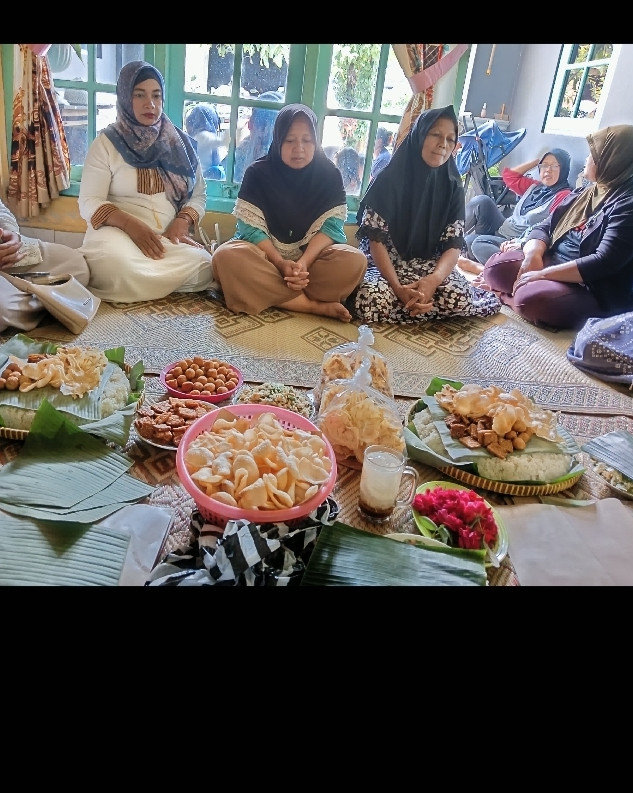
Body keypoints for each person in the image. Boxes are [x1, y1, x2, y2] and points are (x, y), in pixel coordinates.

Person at [212, 103, 367, 322]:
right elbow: (250, 230)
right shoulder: (258, 173)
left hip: (309, 265)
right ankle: (310, 306)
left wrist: (302, 264)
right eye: (290, 140)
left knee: (355, 261)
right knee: (225, 258)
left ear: (316, 141)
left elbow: (331, 227)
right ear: (278, 140)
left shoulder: (329, 175)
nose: (299, 149)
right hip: (264, 257)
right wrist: (280, 263)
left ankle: (269, 293)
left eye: (307, 140)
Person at [78, 60, 213, 303]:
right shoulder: (106, 143)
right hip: (117, 236)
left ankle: (137, 286)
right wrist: (131, 226)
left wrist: (182, 221)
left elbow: (199, 195)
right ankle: (157, 283)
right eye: (139, 95)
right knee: (112, 264)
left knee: (206, 264)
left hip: (164, 239)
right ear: (125, 97)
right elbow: (89, 201)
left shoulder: (180, 144)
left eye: (156, 95)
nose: (150, 104)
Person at [353, 105, 502, 325]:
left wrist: (433, 280)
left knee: (459, 297)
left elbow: (453, 244)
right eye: (436, 135)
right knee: (371, 300)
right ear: (420, 135)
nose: (443, 144)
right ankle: (413, 303)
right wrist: (397, 287)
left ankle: (414, 304)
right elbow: (375, 241)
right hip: (384, 262)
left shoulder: (452, 185)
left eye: (450, 139)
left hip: (427, 264)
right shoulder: (390, 179)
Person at [480, 124, 633, 330]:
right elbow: (545, 226)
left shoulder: (627, 203)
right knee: (495, 268)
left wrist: (543, 274)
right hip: (553, 260)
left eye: (593, 154)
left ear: (613, 159)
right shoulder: (585, 192)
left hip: (589, 285)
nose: (587, 159)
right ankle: (515, 293)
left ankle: (507, 297)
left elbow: (603, 262)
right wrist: (533, 254)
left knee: (532, 299)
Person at [457, 148, 573, 274]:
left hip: (516, 242)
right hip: (502, 228)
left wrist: (522, 243)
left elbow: (550, 228)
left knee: (476, 244)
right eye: (544, 165)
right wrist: (537, 161)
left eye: (554, 166)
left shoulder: (564, 196)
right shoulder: (535, 186)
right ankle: (449, 237)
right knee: (481, 202)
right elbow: (509, 176)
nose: (548, 170)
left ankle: (486, 271)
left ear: (564, 169)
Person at [0, 196, 90, 334]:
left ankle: (19, 298)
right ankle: (50, 302)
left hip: (8, 253)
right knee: (2, 310)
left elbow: (2, 212)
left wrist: (12, 235)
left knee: (76, 266)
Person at [233, 91, 283, 183]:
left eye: (269, 125)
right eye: (260, 123)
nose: (264, 131)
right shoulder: (242, 151)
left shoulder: (281, 154)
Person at [184, 103, 226, 181]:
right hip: (207, 176)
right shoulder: (203, 135)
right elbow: (222, 142)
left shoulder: (196, 136)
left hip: (199, 175)